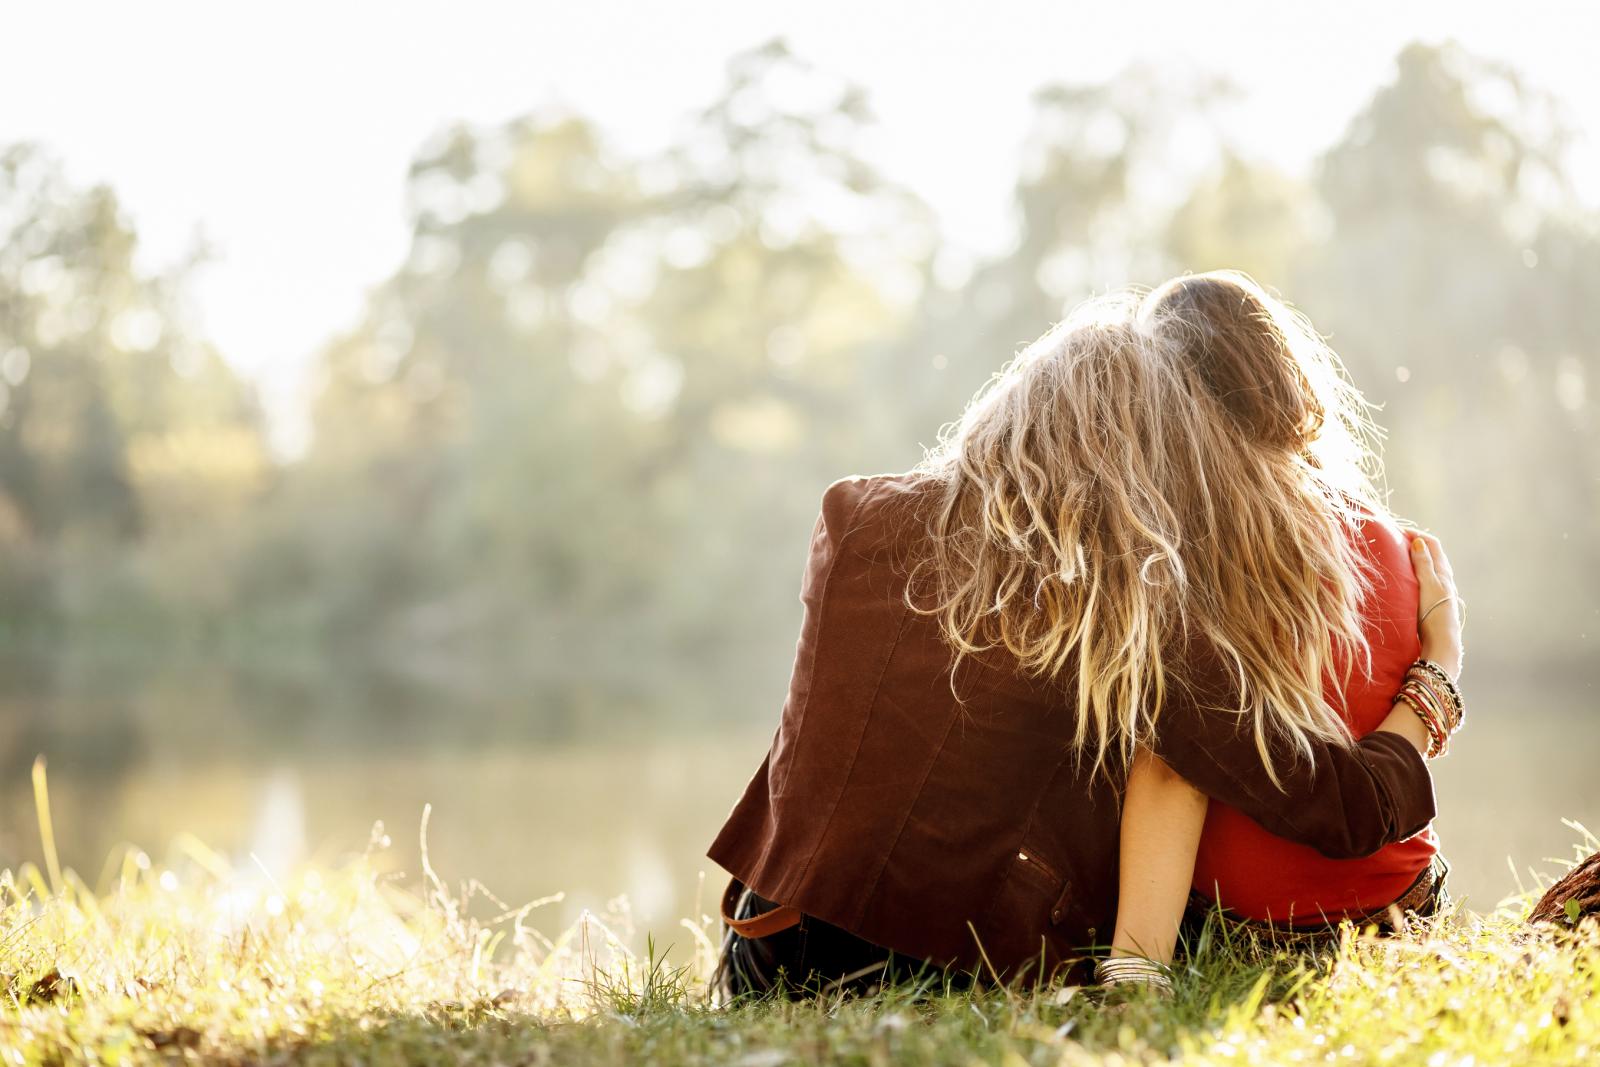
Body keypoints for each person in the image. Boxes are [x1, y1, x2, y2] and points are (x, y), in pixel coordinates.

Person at [708, 270, 1464, 999]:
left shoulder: (854, 513)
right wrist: (1438, 672)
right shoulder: (1126, 594)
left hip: (768, 946)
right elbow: (1345, 808)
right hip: (949, 968)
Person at [1101, 274, 1464, 991]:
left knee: (1157, 733)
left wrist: (1137, 972)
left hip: (1252, 930)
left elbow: (1174, 772)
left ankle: (1138, 967)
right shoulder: (1394, 542)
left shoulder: (1191, 554)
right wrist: (1445, 661)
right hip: (1404, 907)